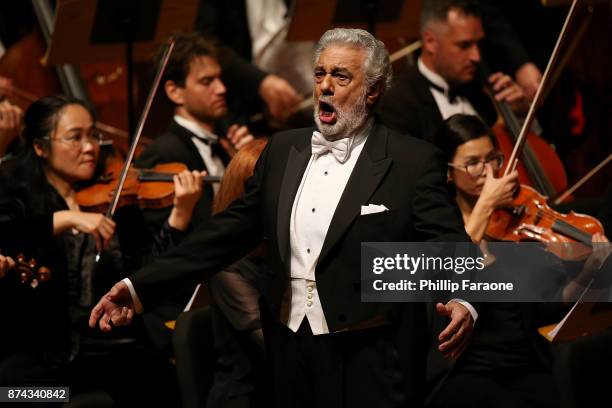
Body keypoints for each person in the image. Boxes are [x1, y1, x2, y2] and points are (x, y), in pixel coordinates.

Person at [91, 28, 476, 407]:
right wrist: (138, 287)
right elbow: (223, 234)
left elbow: (451, 245)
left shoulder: (413, 161)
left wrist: (464, 298)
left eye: (341, 76)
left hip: (371, 355)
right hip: (288, 349)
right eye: (320, 73)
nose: (325, 86)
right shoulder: (281, 149)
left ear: (372, 90)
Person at [0, 95, 203, 405]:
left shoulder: (115, 193)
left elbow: (144, 270)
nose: (90, 147)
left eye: (93, 135)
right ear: (41, 147)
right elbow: (8, 235)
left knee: (163, 384)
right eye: (74, 137)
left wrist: (180, 215)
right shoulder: (16, 190)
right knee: (20, 395)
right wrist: (65, 218)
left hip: (104, 345)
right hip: (38, 355)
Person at [428, 114, 609, 408]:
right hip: (466, 370)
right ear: (448, 172)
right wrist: (485, 205)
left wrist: (589, 272)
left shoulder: (515, 221)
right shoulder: (437, 224)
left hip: (527, 361)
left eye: (493, 160)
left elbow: (551, 303)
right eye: (473, 163)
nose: (488, 173)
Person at [378, 0, 529, 145]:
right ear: (430, 42)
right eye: (464, 45)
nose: (476, 56)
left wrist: (519, 115)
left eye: (478, 44)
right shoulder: (397, 103)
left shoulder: (482, 89)